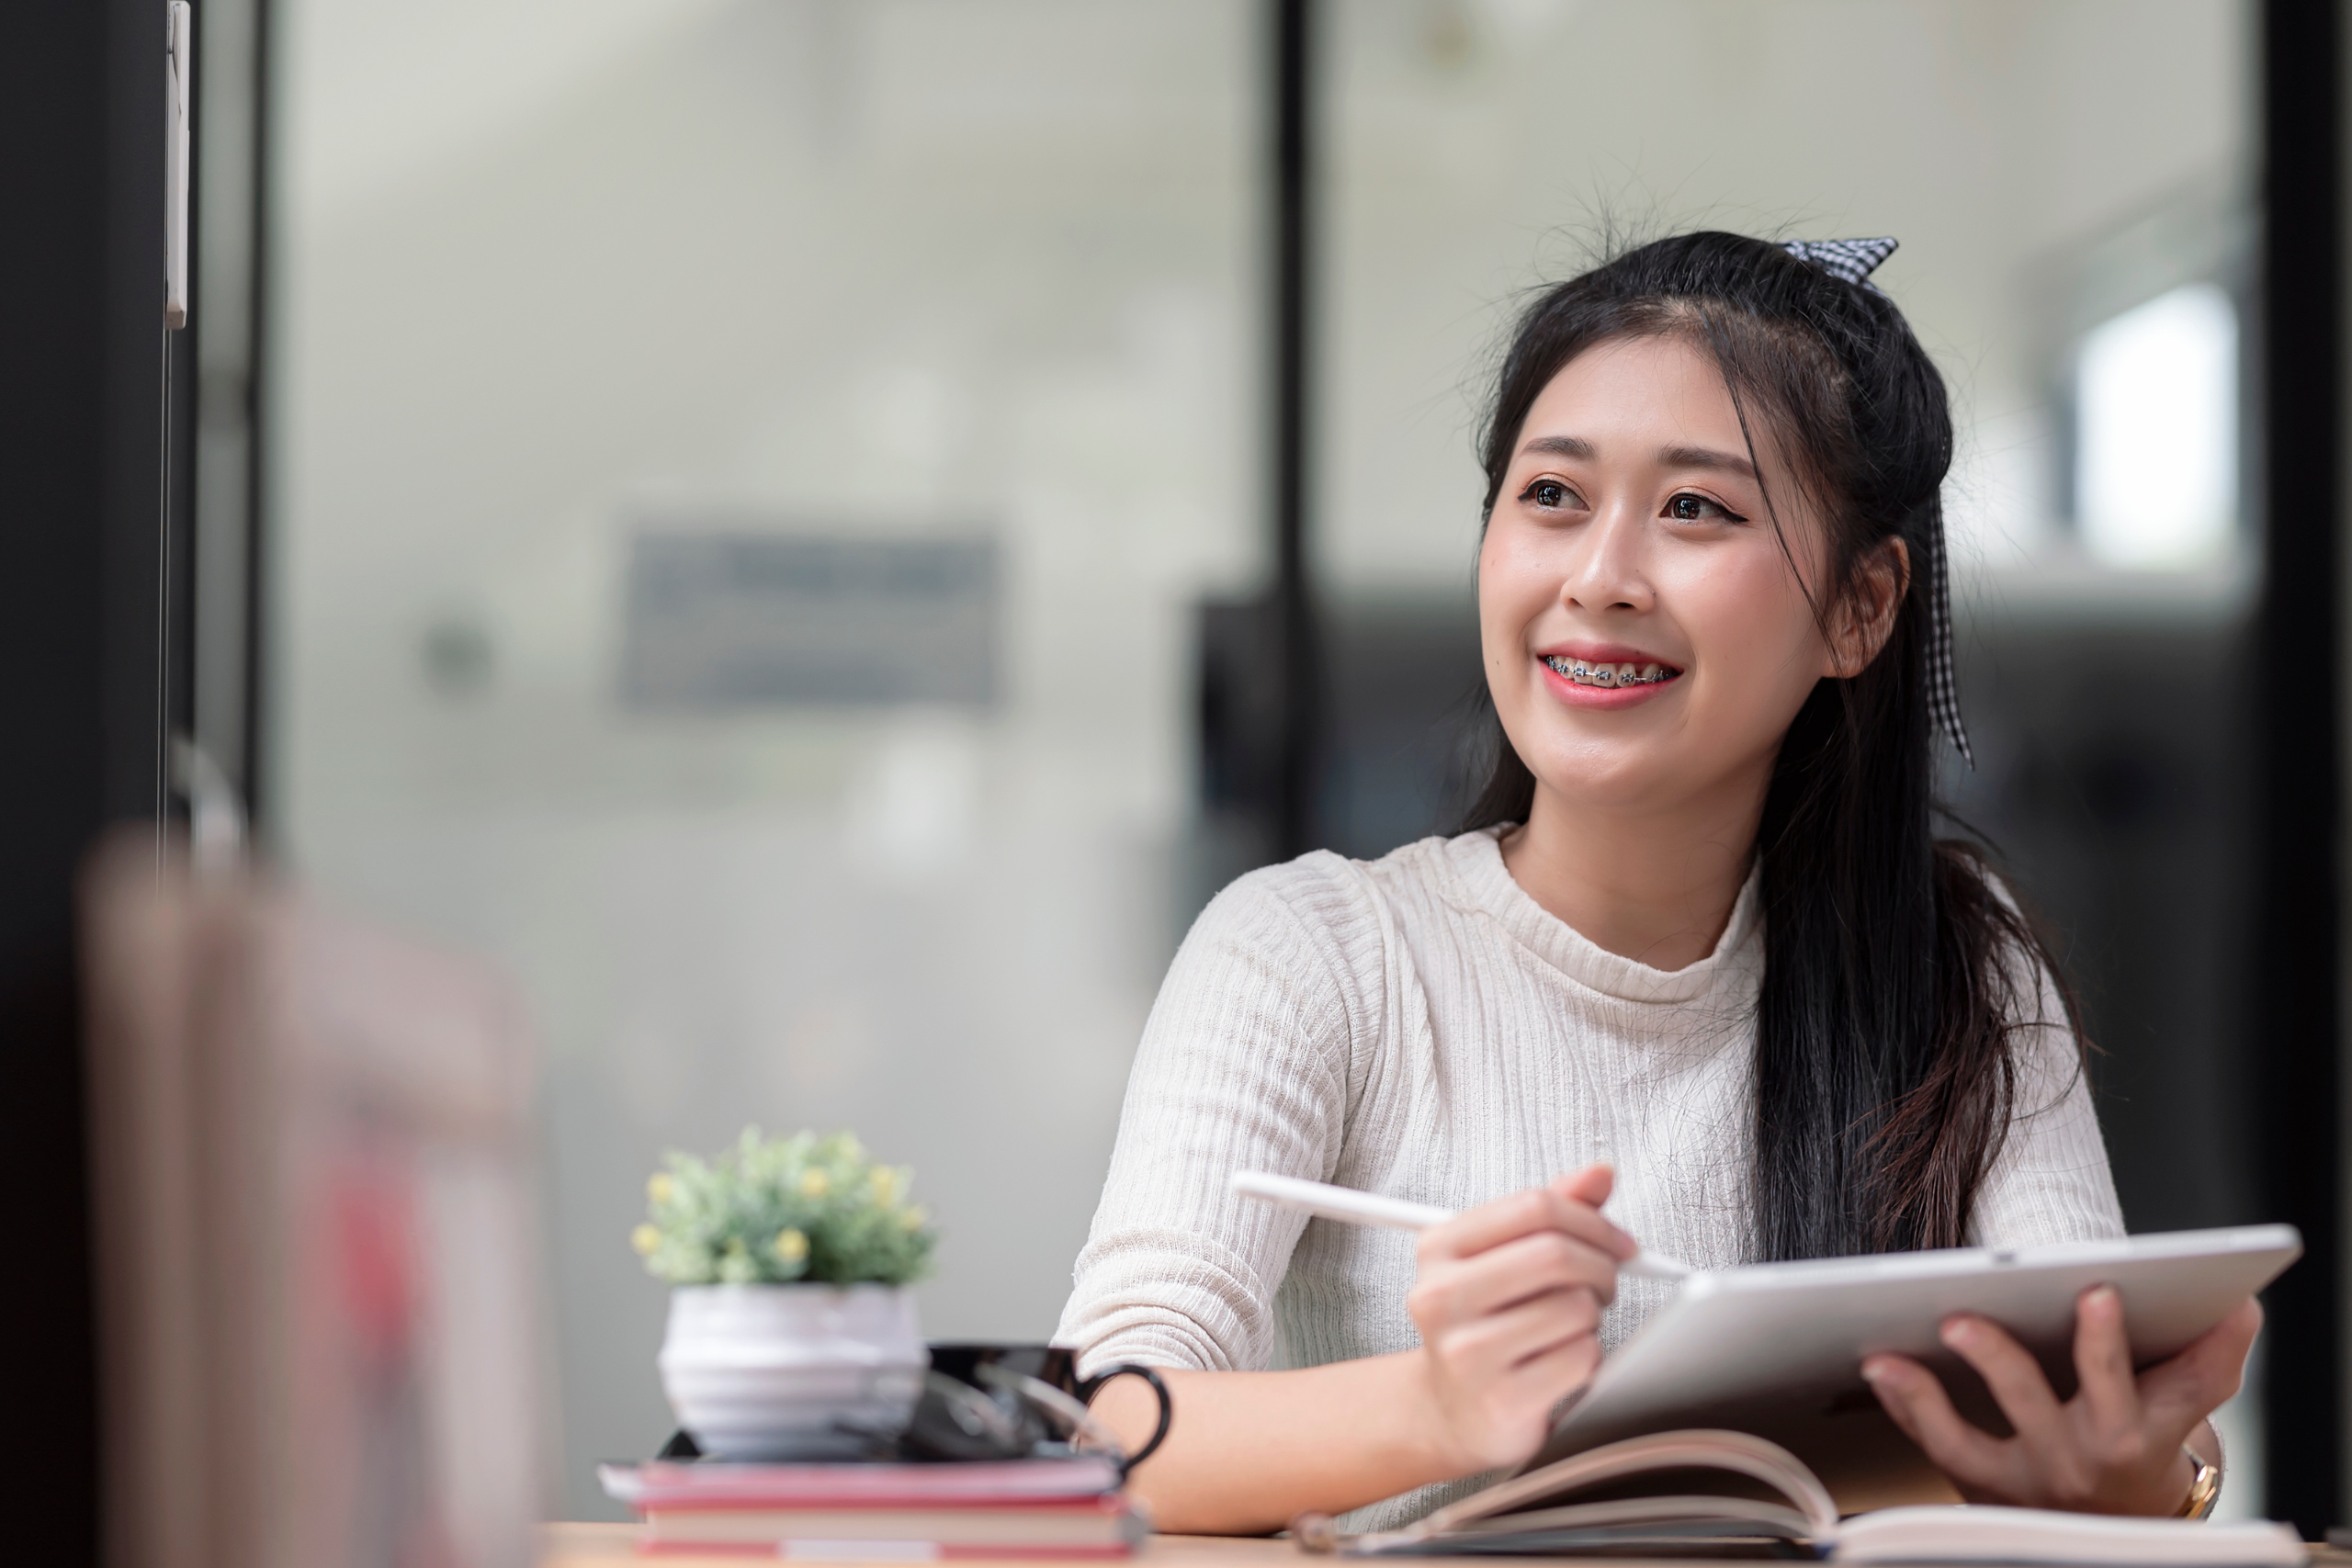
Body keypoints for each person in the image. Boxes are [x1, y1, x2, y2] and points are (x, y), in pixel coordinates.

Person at [1056, 231, 2260, 1535]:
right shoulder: (1309, 952)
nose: (1600, 577)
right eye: (1553, 496)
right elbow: (1103, 1420)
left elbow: (2116, 1391)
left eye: (1697, 509)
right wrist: (1438, 1407)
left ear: (1861, 608)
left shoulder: (1960, 962)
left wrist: (2140, 1468)